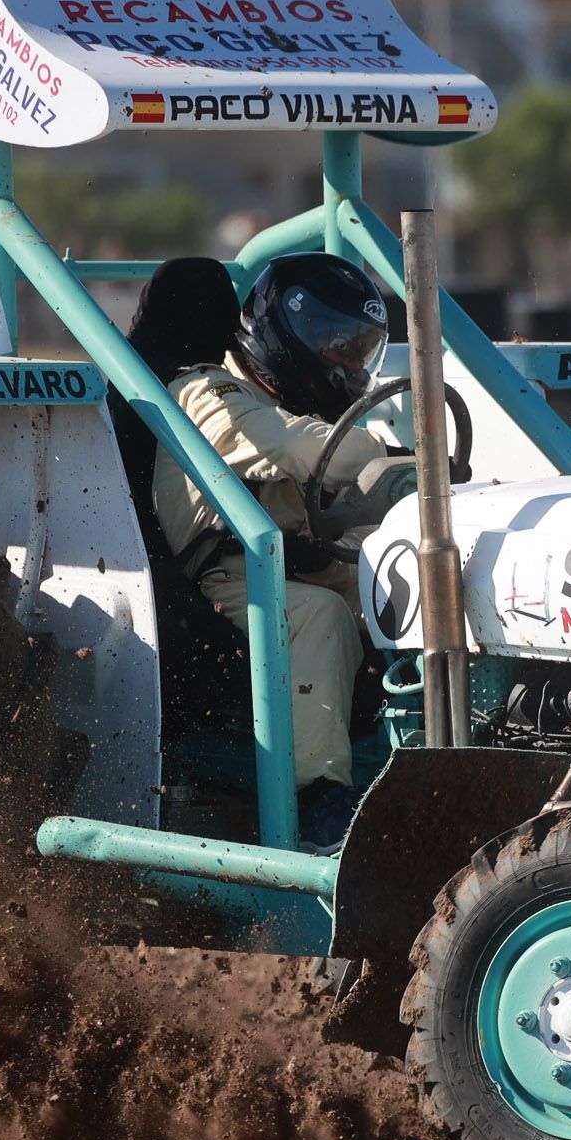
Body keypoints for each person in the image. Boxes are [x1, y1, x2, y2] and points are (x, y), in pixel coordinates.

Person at [150, 253, 412, 849]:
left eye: (360, 350)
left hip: (296, 568)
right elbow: (298, 448)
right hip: (223, 583)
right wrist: (405, 463)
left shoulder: (290, 404)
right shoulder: (206, 390)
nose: (347, 363)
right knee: (318, 616)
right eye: (338, 346)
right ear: (288, 332)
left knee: (405, 586)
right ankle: (319, 807)